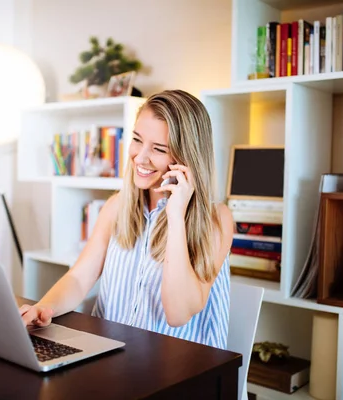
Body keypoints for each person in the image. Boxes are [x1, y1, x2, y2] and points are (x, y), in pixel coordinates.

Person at [20, 89, 234, 349]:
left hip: (180, 371)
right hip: (113, 358)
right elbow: (79, 278)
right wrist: (44, 308)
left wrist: (176, 215)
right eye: (136, 140)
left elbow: (178, 315)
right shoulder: (117, 206)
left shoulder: (215, 219)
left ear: (185, 158)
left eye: (158, 149)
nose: (140, 157)